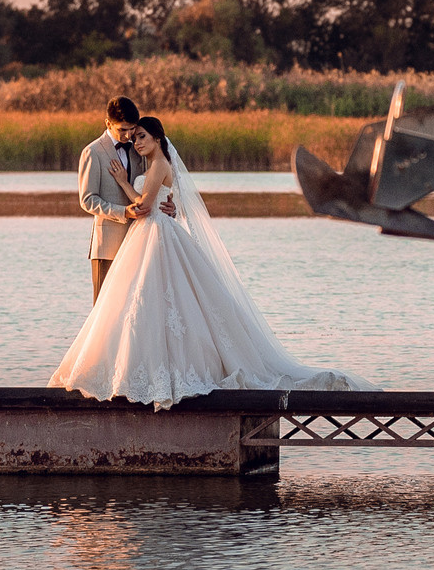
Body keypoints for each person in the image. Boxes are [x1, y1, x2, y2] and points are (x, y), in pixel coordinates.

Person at [52, 115, 371, 405]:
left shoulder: (159, 163)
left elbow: (146, 205)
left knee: (161, 300)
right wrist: (160, 200)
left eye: (142, 137)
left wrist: (122, 182)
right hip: (148, 235)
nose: (137, 142)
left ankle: (169, 370)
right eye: (134, 138)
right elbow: (165, 200)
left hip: (155, 233)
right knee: (144, 303)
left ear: (158, 139)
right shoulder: (151, 165)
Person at [77, 96, 155, 302]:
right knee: (103, 309)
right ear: (108, 124)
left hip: (138, 243)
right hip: (107, 247)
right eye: (122, 130)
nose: (128, 135)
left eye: (132, 129)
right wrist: (123, 212)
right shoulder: (92, 152)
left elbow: (149, 189)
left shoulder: (140, 151)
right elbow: (87, 200)